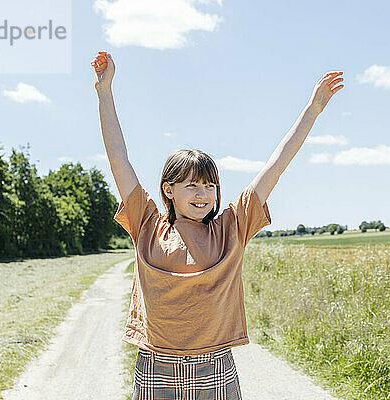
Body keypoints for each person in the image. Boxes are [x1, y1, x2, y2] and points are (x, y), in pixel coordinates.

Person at [93, 51, 343, 400]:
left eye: (209, 185)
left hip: (215, 368)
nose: (203, 193)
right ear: (169, 189)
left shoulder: (232, 227)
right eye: (192, 185)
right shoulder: (147, 222)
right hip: (155, 366)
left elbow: (275, 166)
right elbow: (118, 157)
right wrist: (105, 92)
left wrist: (312, 109)